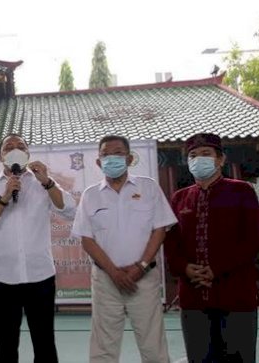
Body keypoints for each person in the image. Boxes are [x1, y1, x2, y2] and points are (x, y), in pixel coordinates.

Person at [71, 135, 177, 363]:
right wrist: (114, 272)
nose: (112, 158)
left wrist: (140, 266)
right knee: (103, 348)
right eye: (106, 154)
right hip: (105, 281)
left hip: (144, 279)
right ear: (98, 162)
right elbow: (87, 240)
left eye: (118, 153)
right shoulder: (90, 195)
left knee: (153, 346)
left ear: (129, 159)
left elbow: (160, 230)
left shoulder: (148, 187)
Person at [0, 133, 77, 363]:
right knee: (6, 346)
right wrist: (4, 196)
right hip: (2, 278)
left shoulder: (42, 182)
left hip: (40, 276)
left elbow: (70, 210)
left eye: (20, 146)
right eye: (9, 146)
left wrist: (48, 182)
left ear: (28, 154)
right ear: (0, 156)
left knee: (45, 344)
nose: (15, 149)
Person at [165, 133, 259, 362]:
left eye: (206, 154)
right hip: (193, 298)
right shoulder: (179, 199)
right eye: (193, 155)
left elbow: (254, 239)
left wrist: (216, 268)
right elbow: (170, 243)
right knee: (199, 357)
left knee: (239, 357)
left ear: (220, 159)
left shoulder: (242, 191)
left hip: (236, 295)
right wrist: (185, 268)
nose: (199, 159)